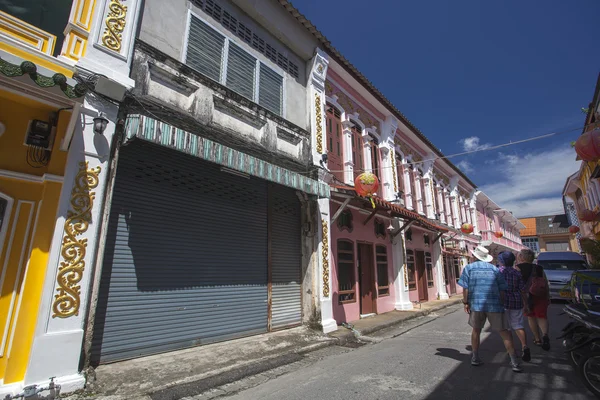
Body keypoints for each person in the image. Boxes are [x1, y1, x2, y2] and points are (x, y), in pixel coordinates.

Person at [458, 245, 523, 372]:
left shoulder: (469, 268)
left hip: (476, 304)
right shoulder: (495, 269)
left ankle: (475, 357)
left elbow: (465, 288)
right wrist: (502, 303)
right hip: (495, 304)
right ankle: (514, 361)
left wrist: (466, 302)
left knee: (476, 331)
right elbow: (502, 289)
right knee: (504, 332)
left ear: (474, 256)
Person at [497, 251, 531, 362]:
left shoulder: (498, 272)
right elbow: (522, 289)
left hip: (503, 301)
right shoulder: (517, 272)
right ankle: (524, 346)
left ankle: (511, 350)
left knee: (506, 328)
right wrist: (526, 303)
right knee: (518, 325)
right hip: (517, 300)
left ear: (501, 261)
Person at [516, 248, 551, 351]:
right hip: (540, 295)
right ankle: (545, 335)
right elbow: (545, 283)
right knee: (542, 317)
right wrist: (548, 296)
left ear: (522, 257)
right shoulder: (539, 268)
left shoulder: (517, 268)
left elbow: (516, 282)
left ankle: (537, 339)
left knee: (531, 317)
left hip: (526, 296)